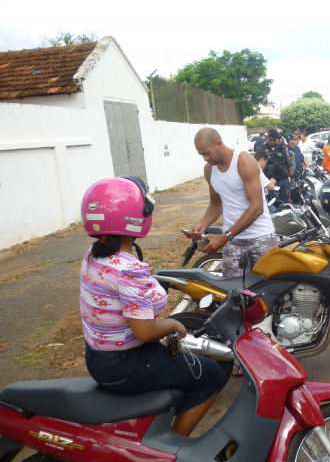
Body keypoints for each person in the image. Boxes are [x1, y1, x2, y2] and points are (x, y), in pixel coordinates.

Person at [80, 176, 224, 437]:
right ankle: (175, 445)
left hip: (97, 359)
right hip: (130, 364)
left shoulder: (93, 256)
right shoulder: (128, 270)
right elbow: (145, 333)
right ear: (137, 218)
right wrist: (174, 324)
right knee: (212, 376)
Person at [192, 127, 277, 277]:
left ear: (219, 143)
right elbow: (216, 203)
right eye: (201, 155)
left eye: (206, 153)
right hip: (234, 241)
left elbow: (257, 207)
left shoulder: (243, 161)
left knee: (266, 291)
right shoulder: (209, 169)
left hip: (261, 238)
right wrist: (202, 225)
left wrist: (225, 237)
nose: (205, 158)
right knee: (234, 294)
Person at [255, 128, 293, 204]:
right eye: (270, 140)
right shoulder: (261, 149)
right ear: (267, 138)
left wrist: (292, 180)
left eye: (274, 140)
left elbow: (289, 164)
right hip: (269, 183)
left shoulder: (282, 148)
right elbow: (256, 165)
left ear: (277, 139)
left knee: (287, 204)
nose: (272, 142)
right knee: (273, 205)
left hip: (283, 181)